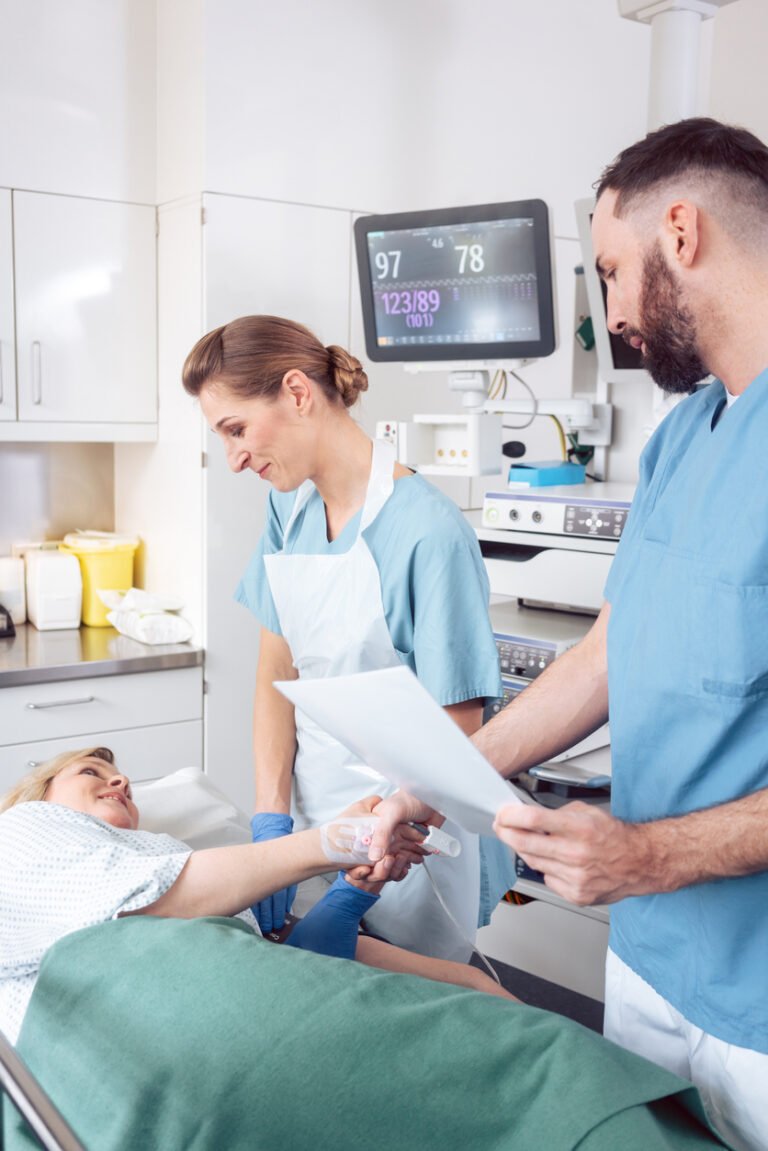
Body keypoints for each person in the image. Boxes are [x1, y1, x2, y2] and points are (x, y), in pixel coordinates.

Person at [371, 118, 768, 1151]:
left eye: (610, 270)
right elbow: (607, 651)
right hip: (649, 960)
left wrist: (649, 853)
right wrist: (441, 774)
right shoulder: (688, 434)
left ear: (679, 232)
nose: (616, 313)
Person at [181, 315, 503, 960]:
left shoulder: (429, 534)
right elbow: (279, 669)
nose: (234, 458)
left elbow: (457, 742)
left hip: (407, 847)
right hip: (312, 823)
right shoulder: (289, 505)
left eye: (236, 429)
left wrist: (363, 880)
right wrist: (271, 823)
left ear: (298, 393)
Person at [0, 747, 510, 1046]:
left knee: (475, 987)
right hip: (178, 1037)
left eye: (120, 779)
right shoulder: (20, 831)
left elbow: (287, 965)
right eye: (89, 772)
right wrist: (332, 841)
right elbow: (153, 900)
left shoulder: (165, 853)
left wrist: (353, 890)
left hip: (262, 1004)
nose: (120, 780)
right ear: (39, 796)